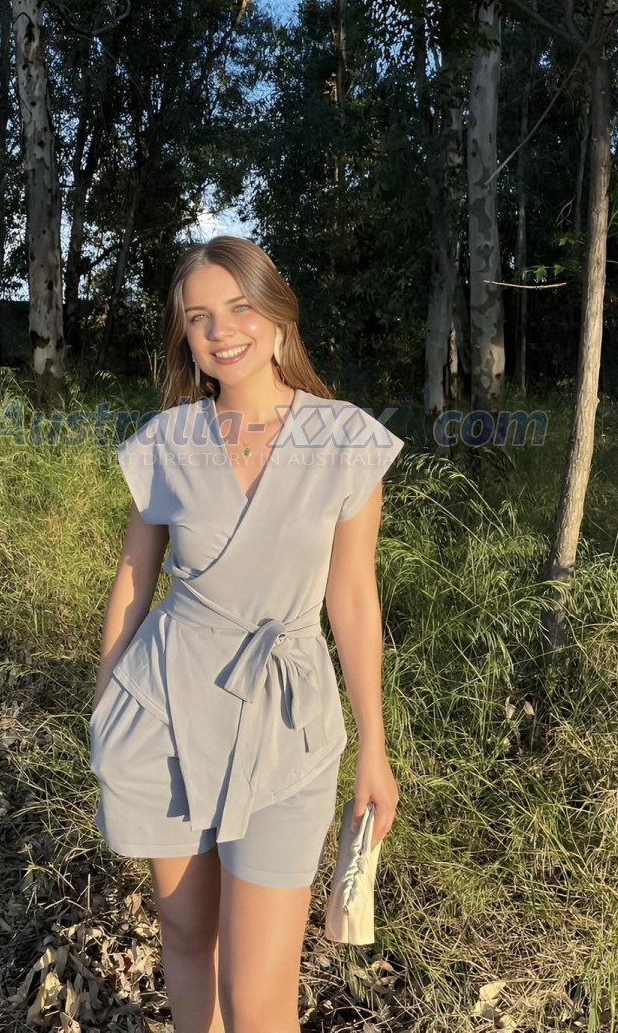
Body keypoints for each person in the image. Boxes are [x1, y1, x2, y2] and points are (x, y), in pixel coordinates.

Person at [89, 235, 404, 1032]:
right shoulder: (165, 443)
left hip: (288, 723)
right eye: (198, 317)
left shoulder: (344, 440)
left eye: (237, 307)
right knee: (186, 935)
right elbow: (133, 579)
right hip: (163, 709)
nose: (220, 330)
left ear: (276, 313)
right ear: (184, 336)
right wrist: (104, 707)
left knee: (258, 997)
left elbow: (352, 597)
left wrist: (374, 748)